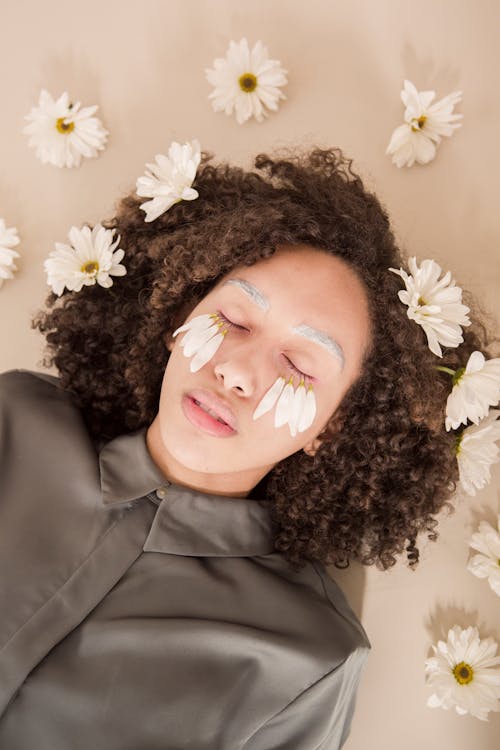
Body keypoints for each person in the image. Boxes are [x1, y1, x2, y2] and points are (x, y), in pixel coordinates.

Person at [0, 147, 493, 748]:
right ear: (180, 315)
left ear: (332, 430)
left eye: (298, 366)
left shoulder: (309, 659)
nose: (236, 372)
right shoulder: (14, 419)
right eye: (234, 320)